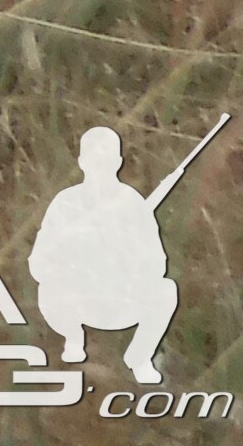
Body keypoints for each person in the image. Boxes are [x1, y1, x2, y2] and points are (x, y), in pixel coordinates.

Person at [30, 127, 181, 384]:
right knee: (47, 289)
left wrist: (129, 258)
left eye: (107, 158)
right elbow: (39, 262)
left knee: (166, 291)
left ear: (118, 162)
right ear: (81, 161)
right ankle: (73, 337)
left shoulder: (133, 204)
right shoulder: (66, 203)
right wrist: (73, 262)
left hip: (122, 299)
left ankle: (140, 358)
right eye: (93, 158)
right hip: (78, 300)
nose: (100, 166)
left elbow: (157, 262)